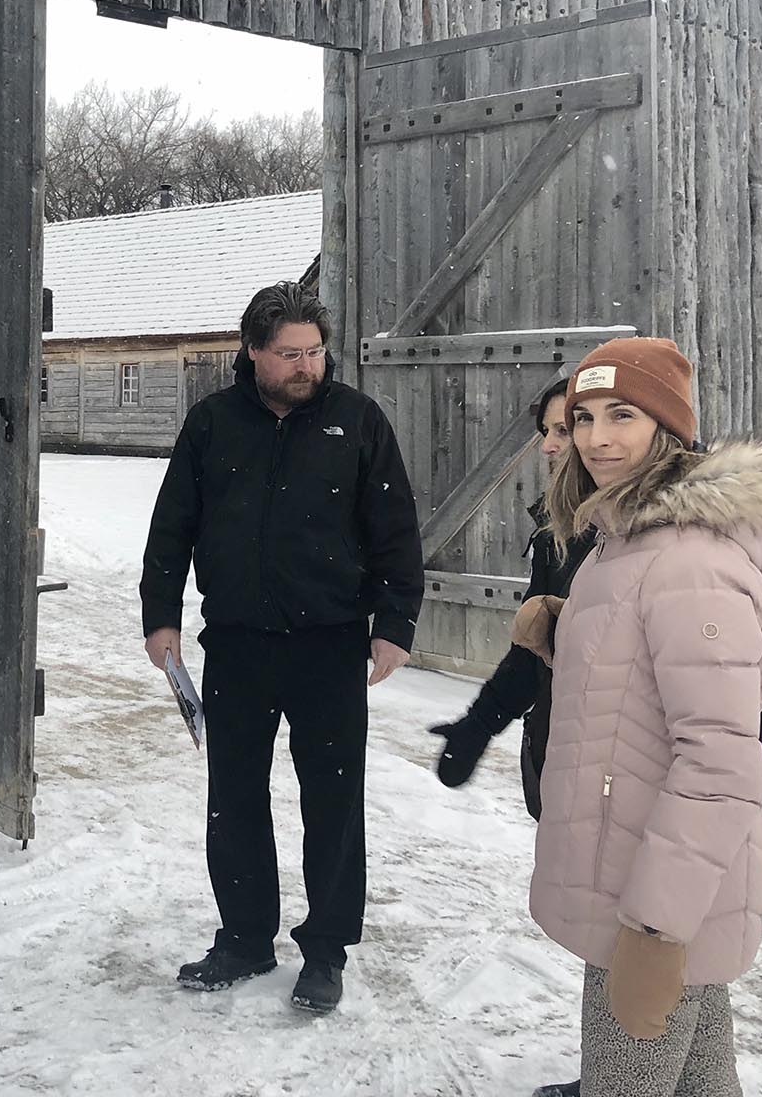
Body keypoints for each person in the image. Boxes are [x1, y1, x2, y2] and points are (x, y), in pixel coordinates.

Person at [519, 338, 762, 1097]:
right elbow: (650, 671)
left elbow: (720, 763)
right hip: (645, 874)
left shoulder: (688, 560)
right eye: (583, 416)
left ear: (669, 427)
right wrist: (569, 626)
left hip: (649, 897)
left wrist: (655, 930)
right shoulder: (632, 536)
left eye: (622, 414)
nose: (595, 438)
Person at [139, 282, 424, 1014]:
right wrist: (159, 617)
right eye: (289, 354)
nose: (306, 366)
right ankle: (243, 938)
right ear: (253, 352)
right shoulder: (211, 424)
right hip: (235, 644)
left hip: (328, 645)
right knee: (233, 798)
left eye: (314, 352)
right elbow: (172, 527)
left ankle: (324, 951)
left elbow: (394, 529)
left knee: (331, 801)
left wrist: (394, 623)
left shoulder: (355, 420)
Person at [427, 376, 595, 820]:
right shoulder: (557, 529)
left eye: (564, 430)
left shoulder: (647, 537)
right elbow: (535, 651)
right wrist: (480, 723)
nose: (547, 446)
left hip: (616, 775)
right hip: (560, 757)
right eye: (546, 432)